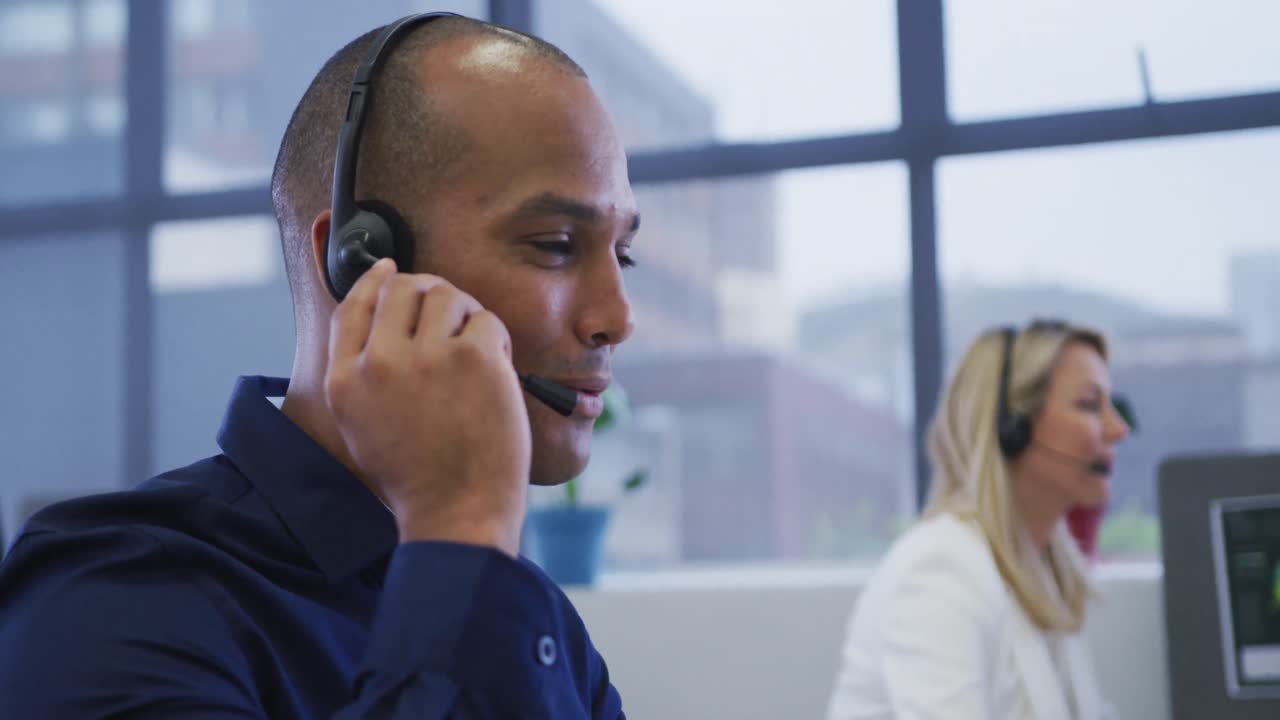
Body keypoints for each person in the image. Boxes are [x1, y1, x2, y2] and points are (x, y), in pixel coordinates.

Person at [0, 13, 637, 719]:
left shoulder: (536, 619)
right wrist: (459, 531)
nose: (617, 316)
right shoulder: (109, 599)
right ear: (363, 262)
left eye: (623, 254)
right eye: (554, 244)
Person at [826, 320, 1131, 720]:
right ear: (1013, 430)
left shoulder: (1043, 565)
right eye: (1090, 405)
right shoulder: (938, 571)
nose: (1119, 429)